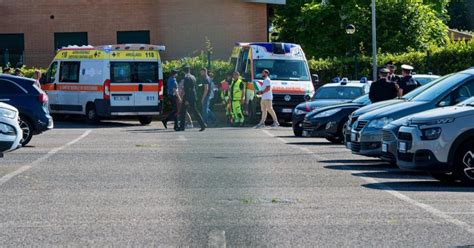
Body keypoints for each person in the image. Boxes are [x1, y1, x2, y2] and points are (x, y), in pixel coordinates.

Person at [178, 65, 206, 132]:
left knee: (183, 111)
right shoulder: (193, 77)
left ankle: (182, 127)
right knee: (194, 111)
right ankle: (202, 124)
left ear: (184, 71)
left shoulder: (186, 77)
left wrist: (187, 99)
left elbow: (187, 89)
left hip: (188, 96)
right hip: (192, 95)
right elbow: (193, 87)